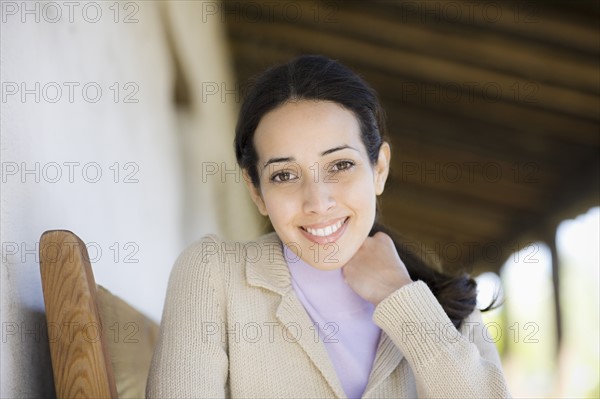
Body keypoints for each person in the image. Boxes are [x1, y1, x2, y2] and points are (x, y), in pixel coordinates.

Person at [146, 55, 511, 398]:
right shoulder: (213, 275)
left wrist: (400, 295)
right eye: (284, 174)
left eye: (339, 165)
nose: (317, 202)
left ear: (379, 168)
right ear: (256, 191)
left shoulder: (443, 300)